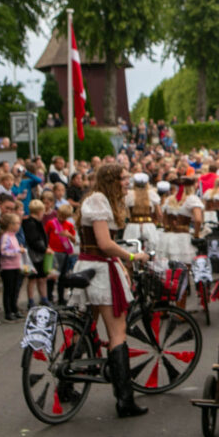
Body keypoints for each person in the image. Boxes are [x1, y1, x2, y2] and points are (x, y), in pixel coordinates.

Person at [73, 163, 150, 417]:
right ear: (112, 180)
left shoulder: (93, 199)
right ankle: (124, 400)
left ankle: (65, 384)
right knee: (117, 332)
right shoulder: (99, 201)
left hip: (88, 266)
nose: (127, 182)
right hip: (100, 271)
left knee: (83, 327)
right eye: (123, 178)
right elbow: (105, 244)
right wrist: (131, 256)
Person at [158, 177, 203, 264]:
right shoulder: (192, 199)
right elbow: (198, 220)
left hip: (167, 237)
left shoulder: (169, 199)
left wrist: (168, 227)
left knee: (167, 266)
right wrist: (196, 235)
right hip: (183, 237)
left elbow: (164, 219)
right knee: (184, 266)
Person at [21, 199, 50, 307]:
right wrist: (44, 249)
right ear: (39, 212)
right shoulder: (30, 224)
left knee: (42, 278)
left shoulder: (36, 223)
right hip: (34, 254)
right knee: (32, 278)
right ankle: (31, 300)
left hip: (39, 253)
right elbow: (34, 240)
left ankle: (44, 297)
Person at [0, 213, 25, 321]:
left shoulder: (14, 236)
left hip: (16, 266)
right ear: (10, 225)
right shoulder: (6, 236)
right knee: (8, 289)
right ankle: (8, 311)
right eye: (17, 223)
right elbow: (3, 251)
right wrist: (17, 251)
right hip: (8, 267)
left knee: (15, 289)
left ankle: (14, 308)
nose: (19, 225)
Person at [123, 173, 161, 249]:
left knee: (130, 250)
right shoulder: (151, 194)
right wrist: (158, 224)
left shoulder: (129, 194)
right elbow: (159, 214)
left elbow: (124, 212)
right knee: (151, 250)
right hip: (149, 226)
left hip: (132, 226)